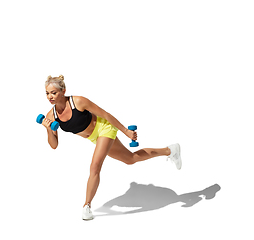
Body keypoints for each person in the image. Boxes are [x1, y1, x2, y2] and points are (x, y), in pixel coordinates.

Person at [40, 75, 182, 220]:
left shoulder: (78, 101)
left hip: (105, 128)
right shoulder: (51, 116)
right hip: (93, 137)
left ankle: (86, 206)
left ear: (63, 91)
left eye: (53, 93)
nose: (49, 96)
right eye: (47, 93)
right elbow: (54, 145)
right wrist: (48, 129)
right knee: (130, 159)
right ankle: (170, 150)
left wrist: (126, 131)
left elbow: (105, 115)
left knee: (95, 166)